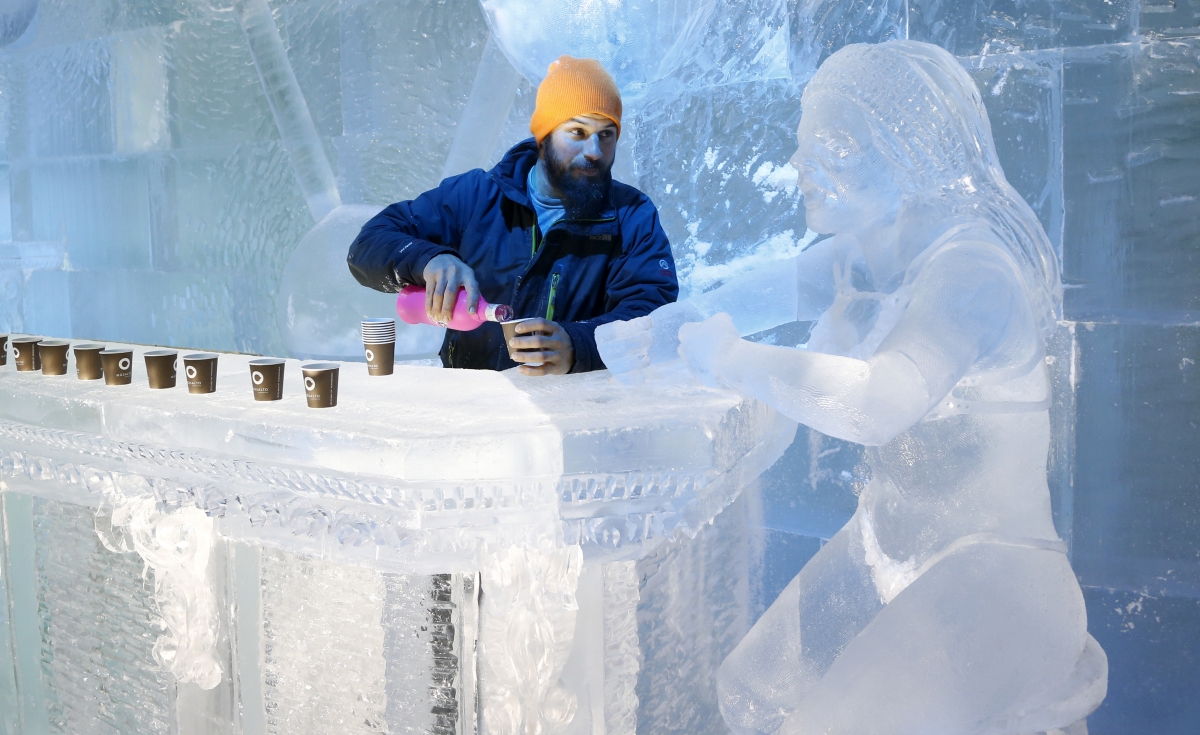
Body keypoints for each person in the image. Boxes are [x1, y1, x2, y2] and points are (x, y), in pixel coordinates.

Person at [596, 41, 1106, 734]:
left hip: (996, 578)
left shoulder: (973, 271)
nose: (802, 168)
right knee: (754, 694)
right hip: (886, 553)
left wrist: (733, 360)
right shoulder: (858, 258)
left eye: (834, 145)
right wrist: (660, 334)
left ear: (910, 152)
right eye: (803, 147)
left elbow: (877, 402)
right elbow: (740, 301)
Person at [347, 56, 678, 375]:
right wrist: (427, 259)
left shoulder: (633, 216)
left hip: (578, 411)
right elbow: (367, 246)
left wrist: (579, 346)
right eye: (577, 132)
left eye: (606, 134)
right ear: (544, 136)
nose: (594, 151)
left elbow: (651, 315)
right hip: (472, 402)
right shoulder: (475, 196)